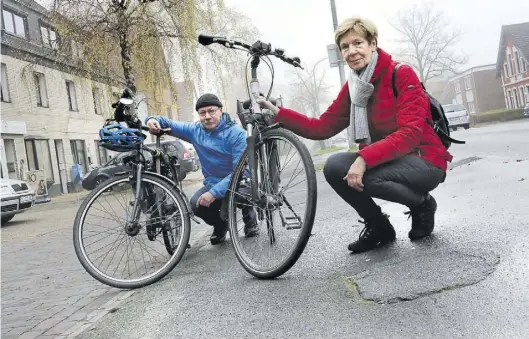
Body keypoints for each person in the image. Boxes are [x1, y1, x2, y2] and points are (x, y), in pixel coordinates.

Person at [256, 17, 453, 254]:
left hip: (424, 160)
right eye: (345, 47)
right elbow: (322, 127)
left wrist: (363, 159)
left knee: (364, 177)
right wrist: (279, 113)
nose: (351, 52)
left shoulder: (400, 74)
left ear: (373, 44)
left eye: (357, 43)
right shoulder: (354, 87)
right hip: (388, 160)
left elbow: (410, 134)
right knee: (334, 167)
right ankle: (379, 226)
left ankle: (422, 205)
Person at [145, 93, 259, 245]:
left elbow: (242, 171)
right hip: (213, 183)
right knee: (195, 205)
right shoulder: (195, 130)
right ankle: (220, 225)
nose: (207, 116)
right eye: (202, 113)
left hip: (239, 183)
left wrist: (214, 193)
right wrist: (151, 121)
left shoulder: (236, 133)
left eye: (212, 111)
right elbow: (166, 122)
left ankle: (250, 219)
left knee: (242, 195)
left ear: (221, 111)